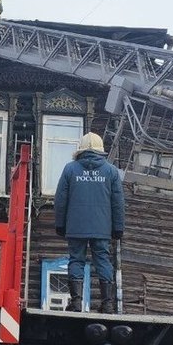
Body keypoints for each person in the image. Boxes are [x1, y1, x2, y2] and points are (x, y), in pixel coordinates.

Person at [54, 132, 125, 313]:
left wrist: (60, 224)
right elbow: (118, 202)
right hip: (102, 227)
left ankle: (76, 302)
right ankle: (107, 304)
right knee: (103, 260)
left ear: (81, 150)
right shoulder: (111, 171)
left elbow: (60, 199)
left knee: (76, 260)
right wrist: (118, 227)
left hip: (76, 225)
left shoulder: (70, 169)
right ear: (101, 150)